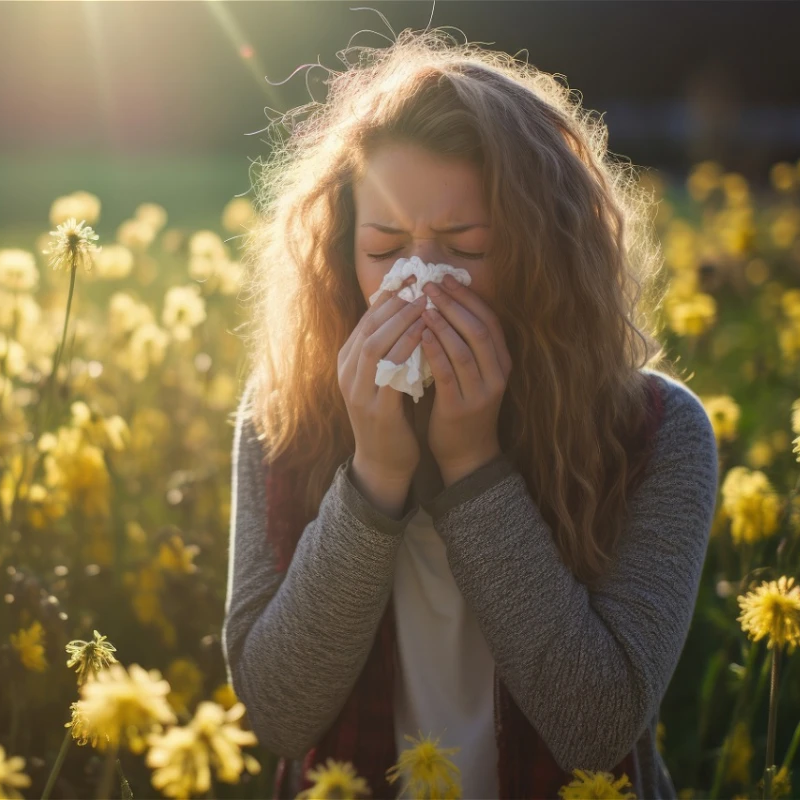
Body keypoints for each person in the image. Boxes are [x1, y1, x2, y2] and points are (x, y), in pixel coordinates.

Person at [221, 27, 718, 799]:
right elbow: (281, 716)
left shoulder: (657, 433)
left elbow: (595, 727)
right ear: (342, 252)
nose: (421, 281)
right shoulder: (283, 413)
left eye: (465, 246)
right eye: (386, 249)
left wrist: (473, 463)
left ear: (544, 252)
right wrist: (376, 474)